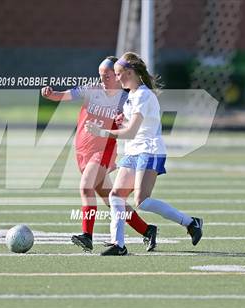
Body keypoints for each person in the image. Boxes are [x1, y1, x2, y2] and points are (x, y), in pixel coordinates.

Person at [85, 52, 203, 256]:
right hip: (133, 151)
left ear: (130, 73)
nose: (117, 78)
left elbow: (131, 132)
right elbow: (132, 127)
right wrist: (123, 119)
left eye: (118, 73)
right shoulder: (132, 94)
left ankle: (190, 223)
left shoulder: (143, 95)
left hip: (150, 150)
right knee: (115, 196)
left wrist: (102, 132)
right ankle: (118, 244)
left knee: (142, 200)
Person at [41, 56, 158, 252]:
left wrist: (123, 121)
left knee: (86, 187)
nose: (102, 79)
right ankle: (147, 230)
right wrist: (50, 94)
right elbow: (64, 95)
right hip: (83, 151)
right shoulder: (92, 89)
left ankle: (87, 235)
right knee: (111, 200)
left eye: (107, 76)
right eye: (100, 75)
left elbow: (133, 125)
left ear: (118, 76)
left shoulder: (125, 99)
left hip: (103, 151)